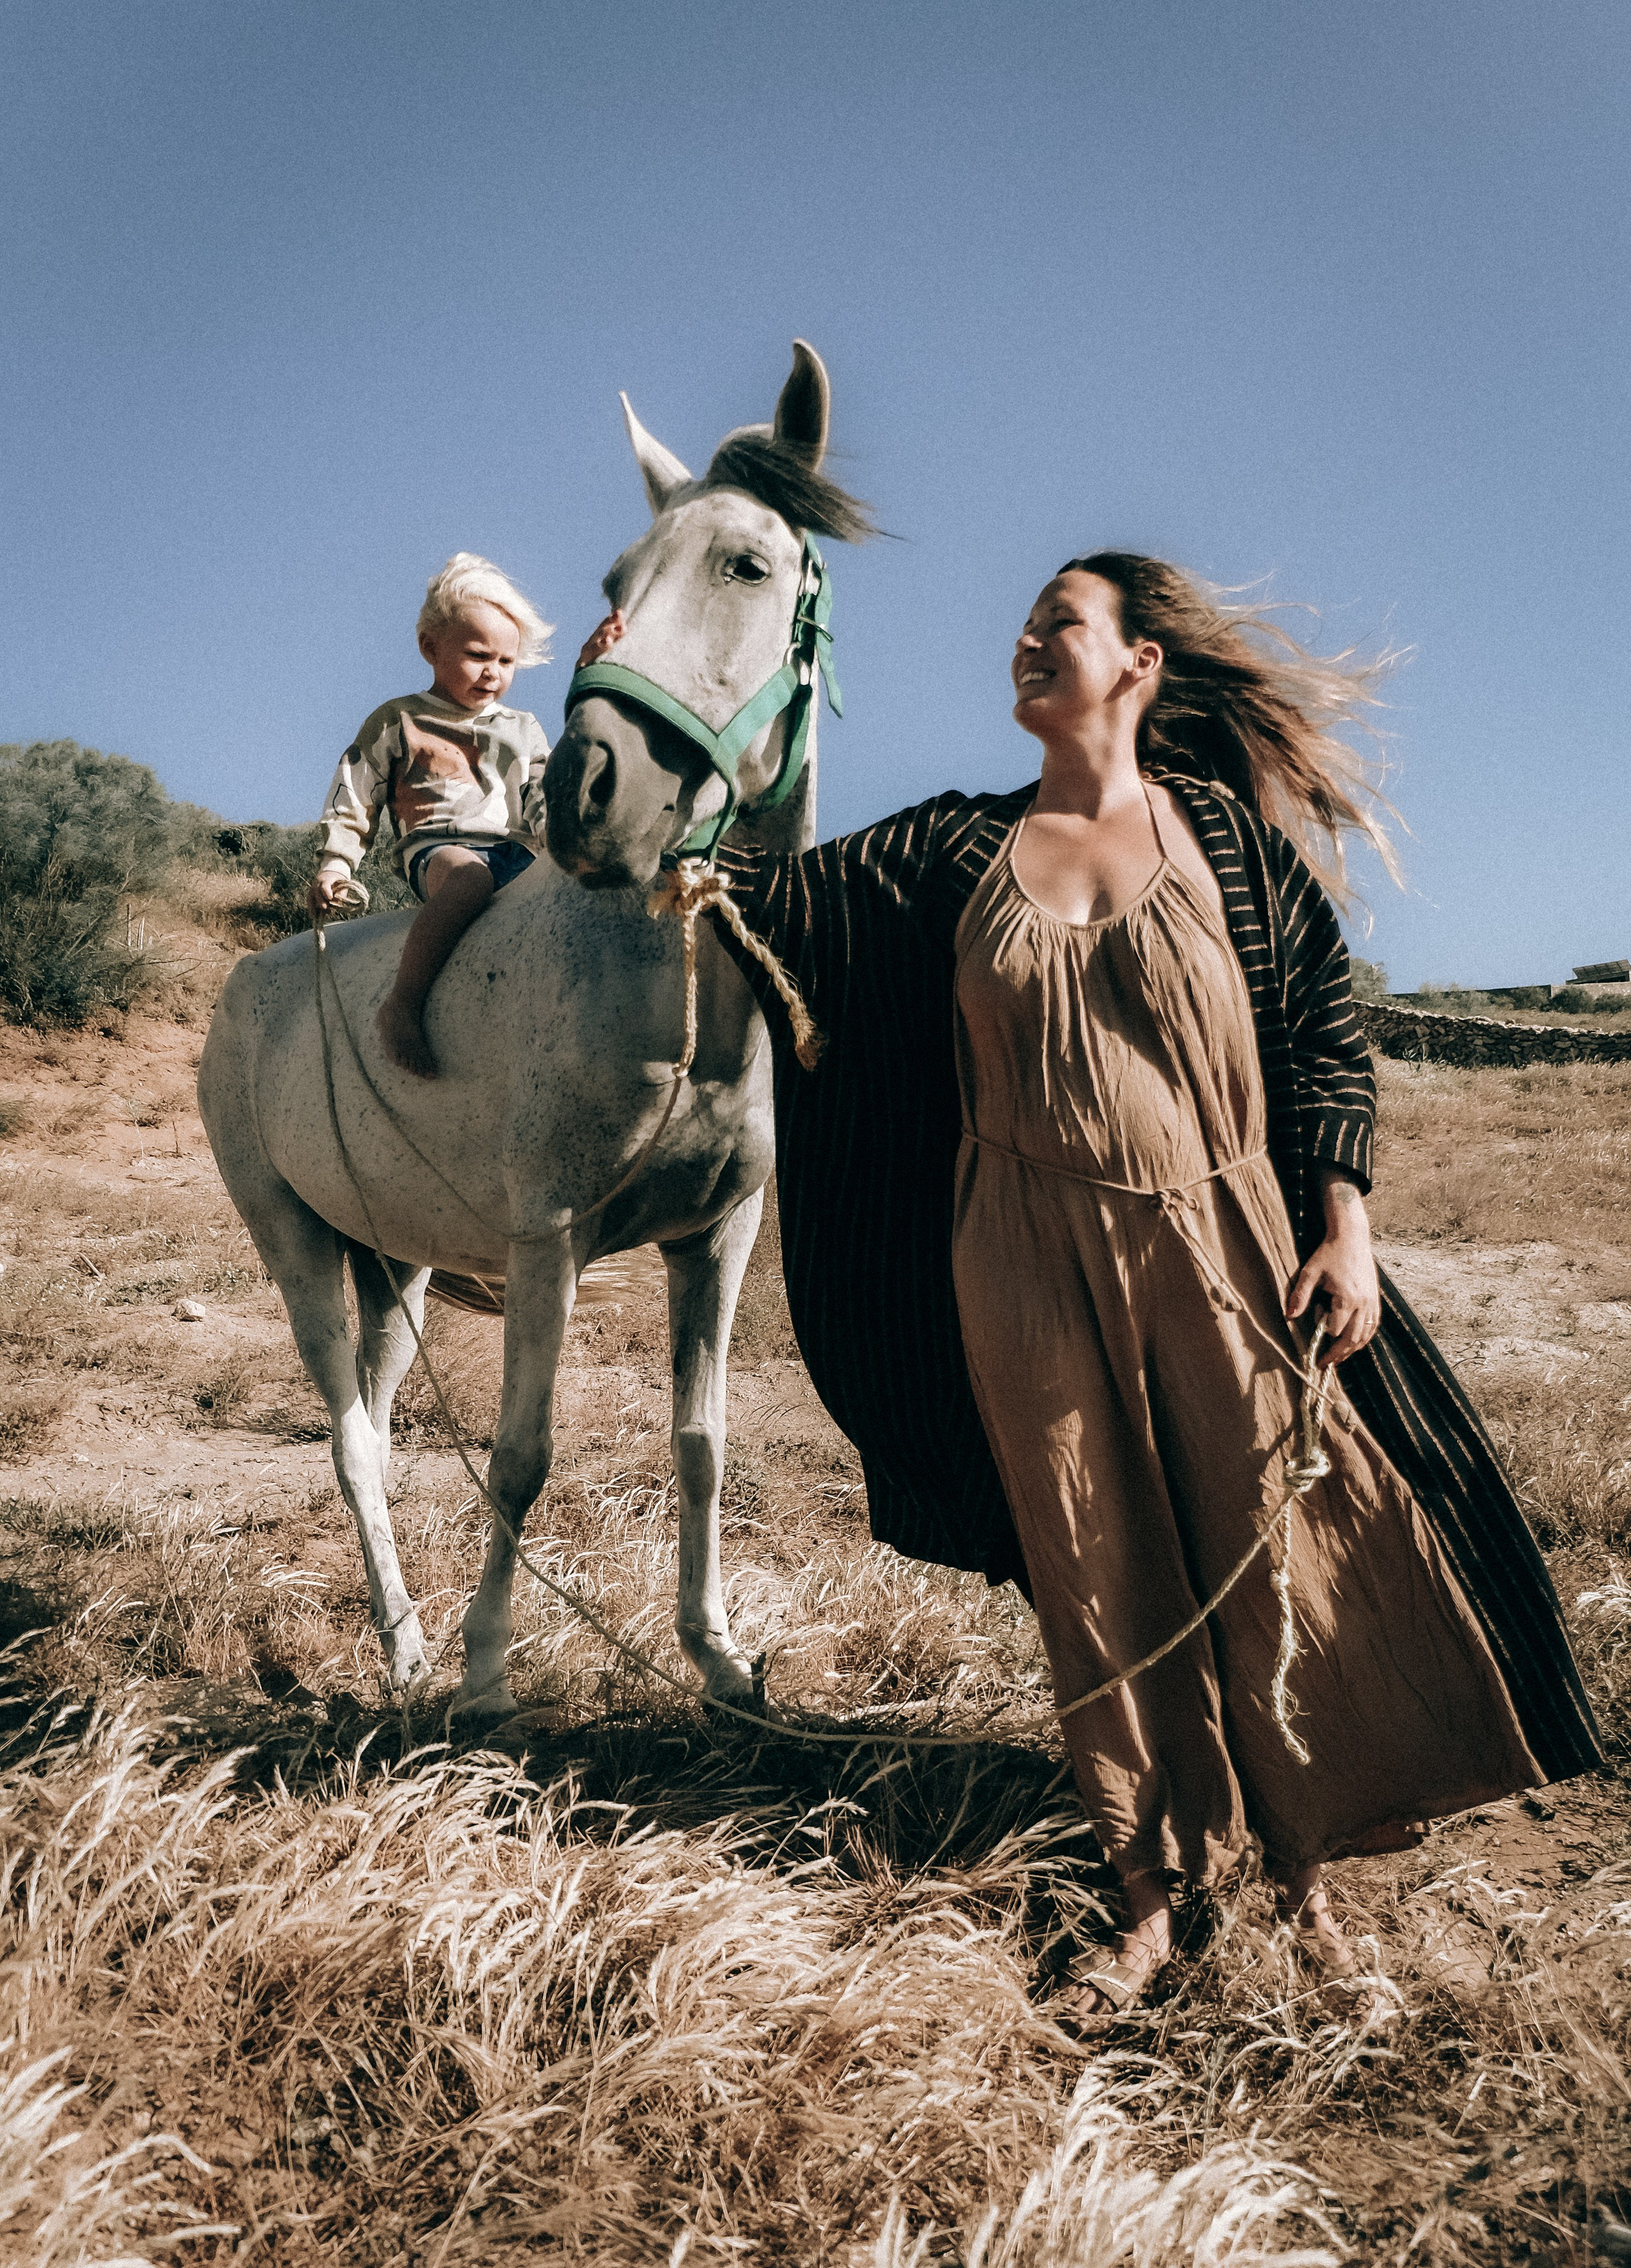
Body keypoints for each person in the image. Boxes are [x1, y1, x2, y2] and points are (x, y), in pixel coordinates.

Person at [617, 552, 1602, 2016]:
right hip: (1017, 1257)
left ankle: (1309, 1878)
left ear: (1136, 666)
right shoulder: (944, 852)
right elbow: (764, 900)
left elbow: (1323, 1027)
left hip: (1227, 1240)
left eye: (1055, 627)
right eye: (1019, 628)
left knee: (1269, 1547)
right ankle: (1147, 1894)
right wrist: (671, 687)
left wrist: (1342, 1226)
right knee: (1090, 1564)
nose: (1023, 644)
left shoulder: (1213, 832)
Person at [309, 553, 553, 1076]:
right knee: (469, 883)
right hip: (441, 849)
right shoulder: (400, 719)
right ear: (430, 648)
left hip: (517, 850)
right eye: (477, 655)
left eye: (506, 662)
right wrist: (336, 864)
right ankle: (403, 1004)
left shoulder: (523, 726)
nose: (493, 672)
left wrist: (559, 841)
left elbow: (541, 793)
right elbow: (356, 793)